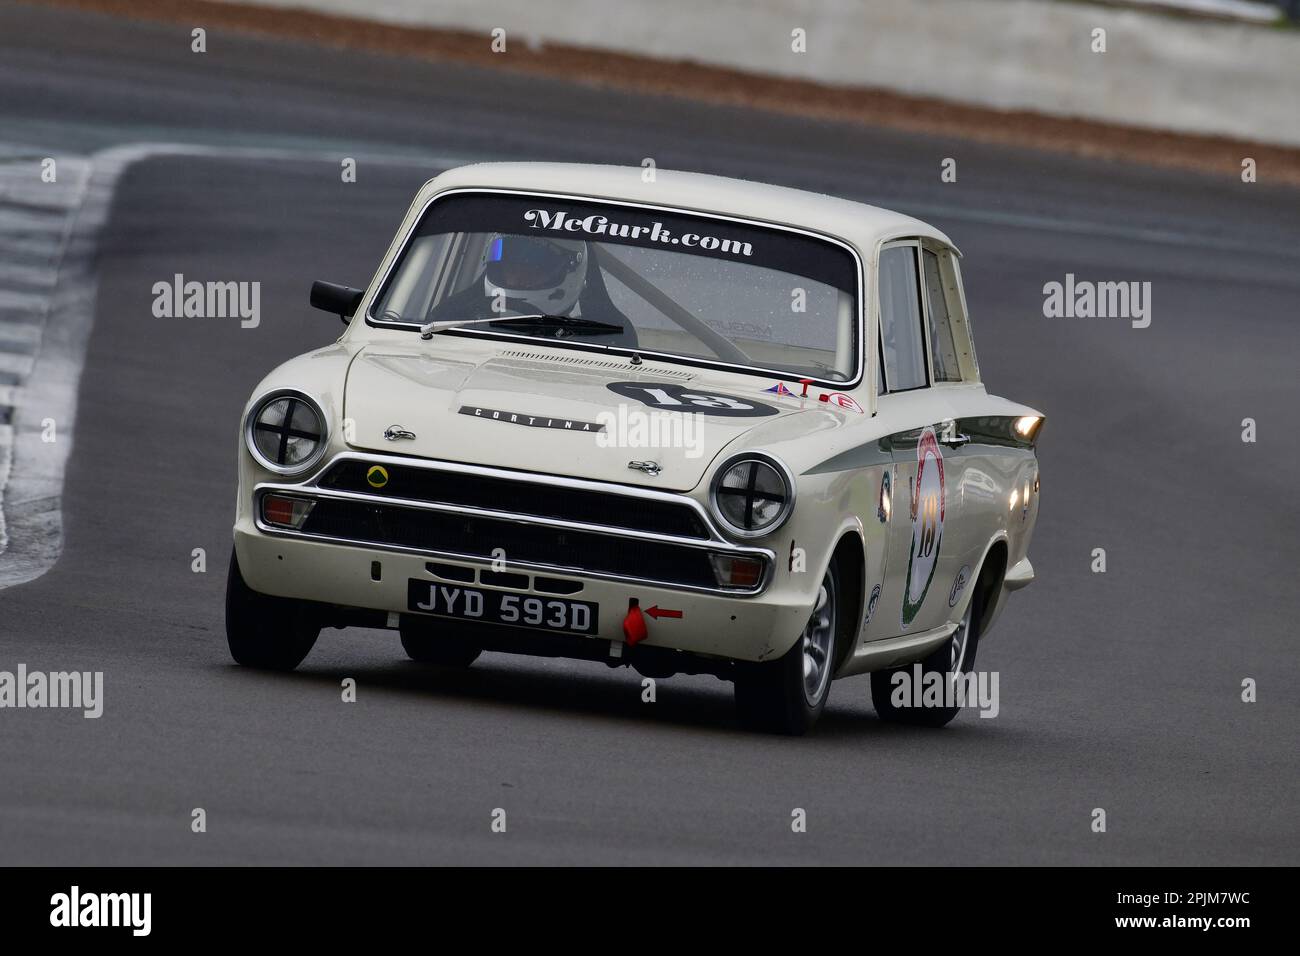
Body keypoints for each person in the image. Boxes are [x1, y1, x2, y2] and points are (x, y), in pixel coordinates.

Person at [430, 233, 637, 345]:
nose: (517, 278)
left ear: (571, 270)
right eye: (509, 267)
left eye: (534, 268)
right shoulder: (450, 318)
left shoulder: (609, 338)